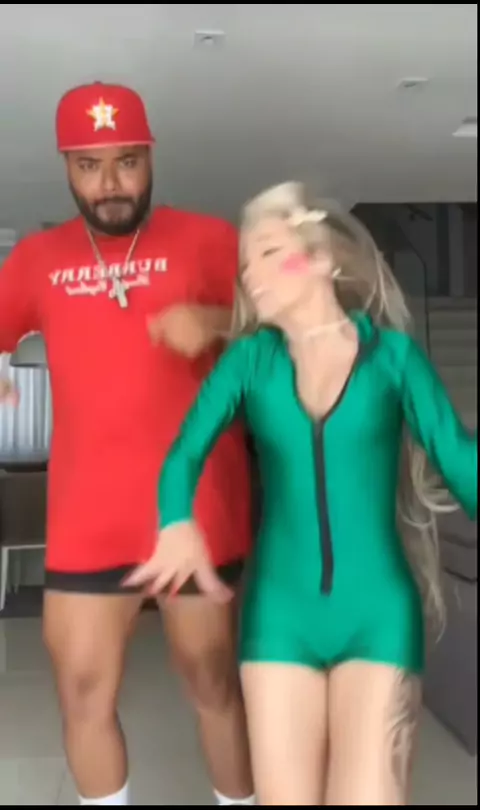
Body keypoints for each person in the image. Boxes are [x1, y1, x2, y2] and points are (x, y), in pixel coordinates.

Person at [126, 181, 478, 805]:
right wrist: (176, 520)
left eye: (268, 252)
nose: (250, 274)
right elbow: (184, 453)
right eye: (245, 263)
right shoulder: (249, 362)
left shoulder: (391, 359)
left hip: (378, 616)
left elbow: (458, 458)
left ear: (321, 259)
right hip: (279, 618)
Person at [0, 82, 255, 806]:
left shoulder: (209, 240)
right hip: (87, 516)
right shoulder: (38, 258)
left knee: (211, 680)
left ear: (150, 157)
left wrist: (216, 322)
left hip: (196, 508)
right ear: (66, 168)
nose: (109, 184)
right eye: (89, 165)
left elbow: (293, 326)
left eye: (126, 162)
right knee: (82, 690)